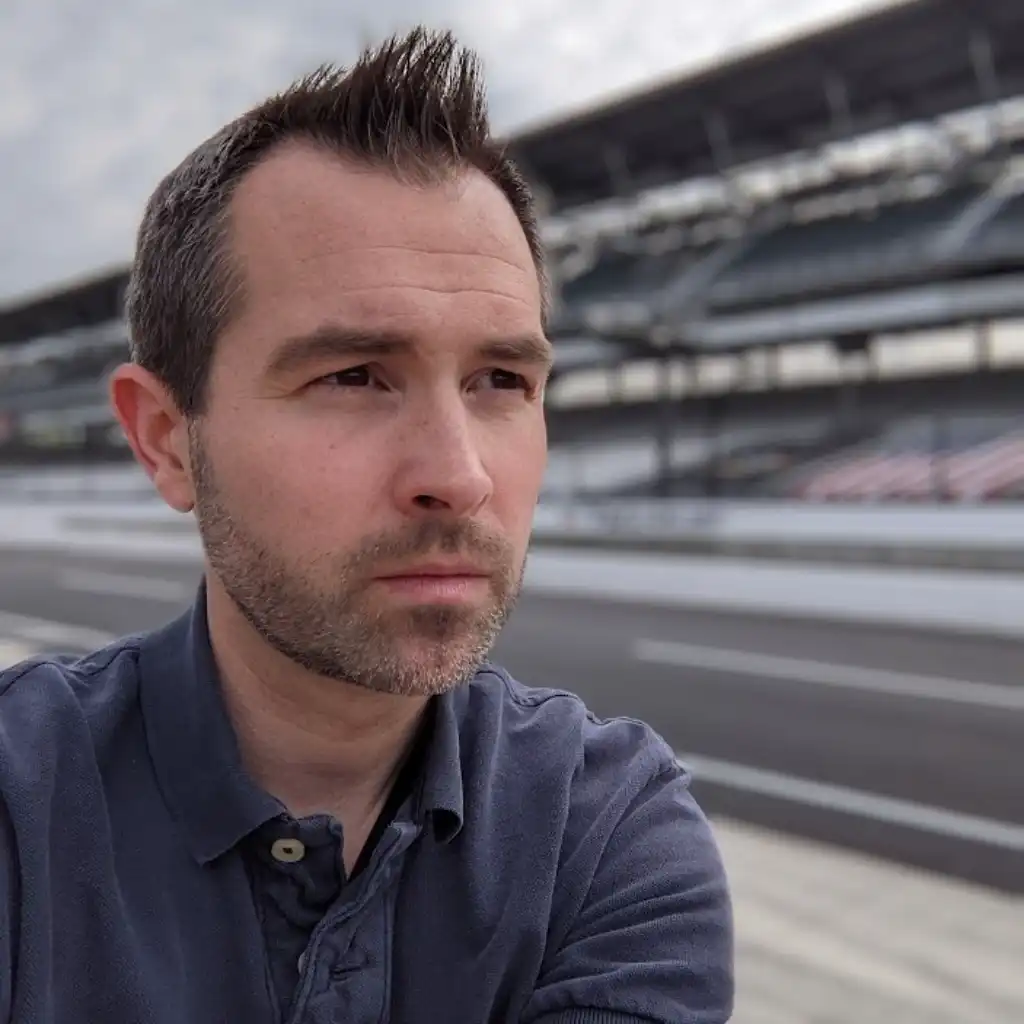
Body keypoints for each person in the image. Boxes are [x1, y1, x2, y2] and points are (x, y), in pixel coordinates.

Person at [0, 26, 733, 1024]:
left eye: (500, 380)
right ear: (167, 439)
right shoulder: (20, 802)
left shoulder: (605, 832)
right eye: (353, 377)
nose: (458, 476)